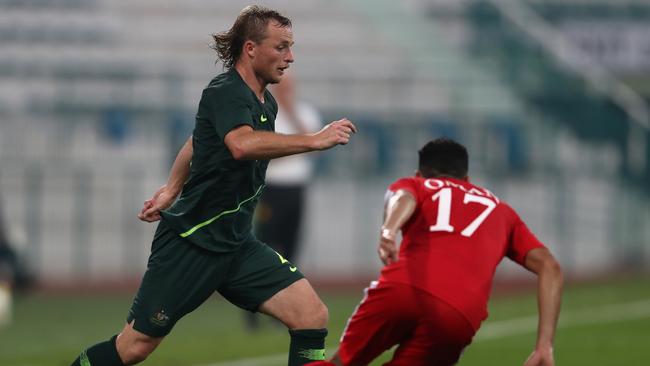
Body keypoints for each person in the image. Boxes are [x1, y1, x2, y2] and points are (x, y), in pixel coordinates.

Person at [70, 6, 357, 366]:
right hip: (193, 242)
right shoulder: (226, 91)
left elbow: (197, 140)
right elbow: (241, 145)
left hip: (236, 244)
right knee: (135, 347)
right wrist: (313, 140)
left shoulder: (264, 99)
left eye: (291, 47)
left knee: (311, 315)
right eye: (281, 47)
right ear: (251, 48)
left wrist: (172, 187)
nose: (290, 56)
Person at [309, 138, 563, 366]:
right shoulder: (502, 212)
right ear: (468, 180)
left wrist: (389, 230)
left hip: (404, 287)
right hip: (459, 314)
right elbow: (550, 267)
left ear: (420, 174)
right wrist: (544, 345)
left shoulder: (418, 185)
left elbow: (404, 197)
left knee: (342, 362)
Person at [246, 71, 322, 330]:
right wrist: (294, 148)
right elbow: (263, 152)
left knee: (291, 249)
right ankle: (253, 309)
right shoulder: (265, 112)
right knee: (265, 245)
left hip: (297, 188)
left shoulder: (306, 113)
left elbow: (313, 145)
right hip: (271, 188)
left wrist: (291, 116)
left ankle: (284, 308)